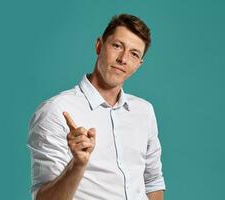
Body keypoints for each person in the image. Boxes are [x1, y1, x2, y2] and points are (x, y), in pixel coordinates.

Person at [27, 13, 166, 200]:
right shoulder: (56, 110)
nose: (123, 59)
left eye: (134, 54)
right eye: (117, 46)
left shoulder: (144, 111)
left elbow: (152, 181)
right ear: (99, 46)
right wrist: (77, 164)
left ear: (138, 64)